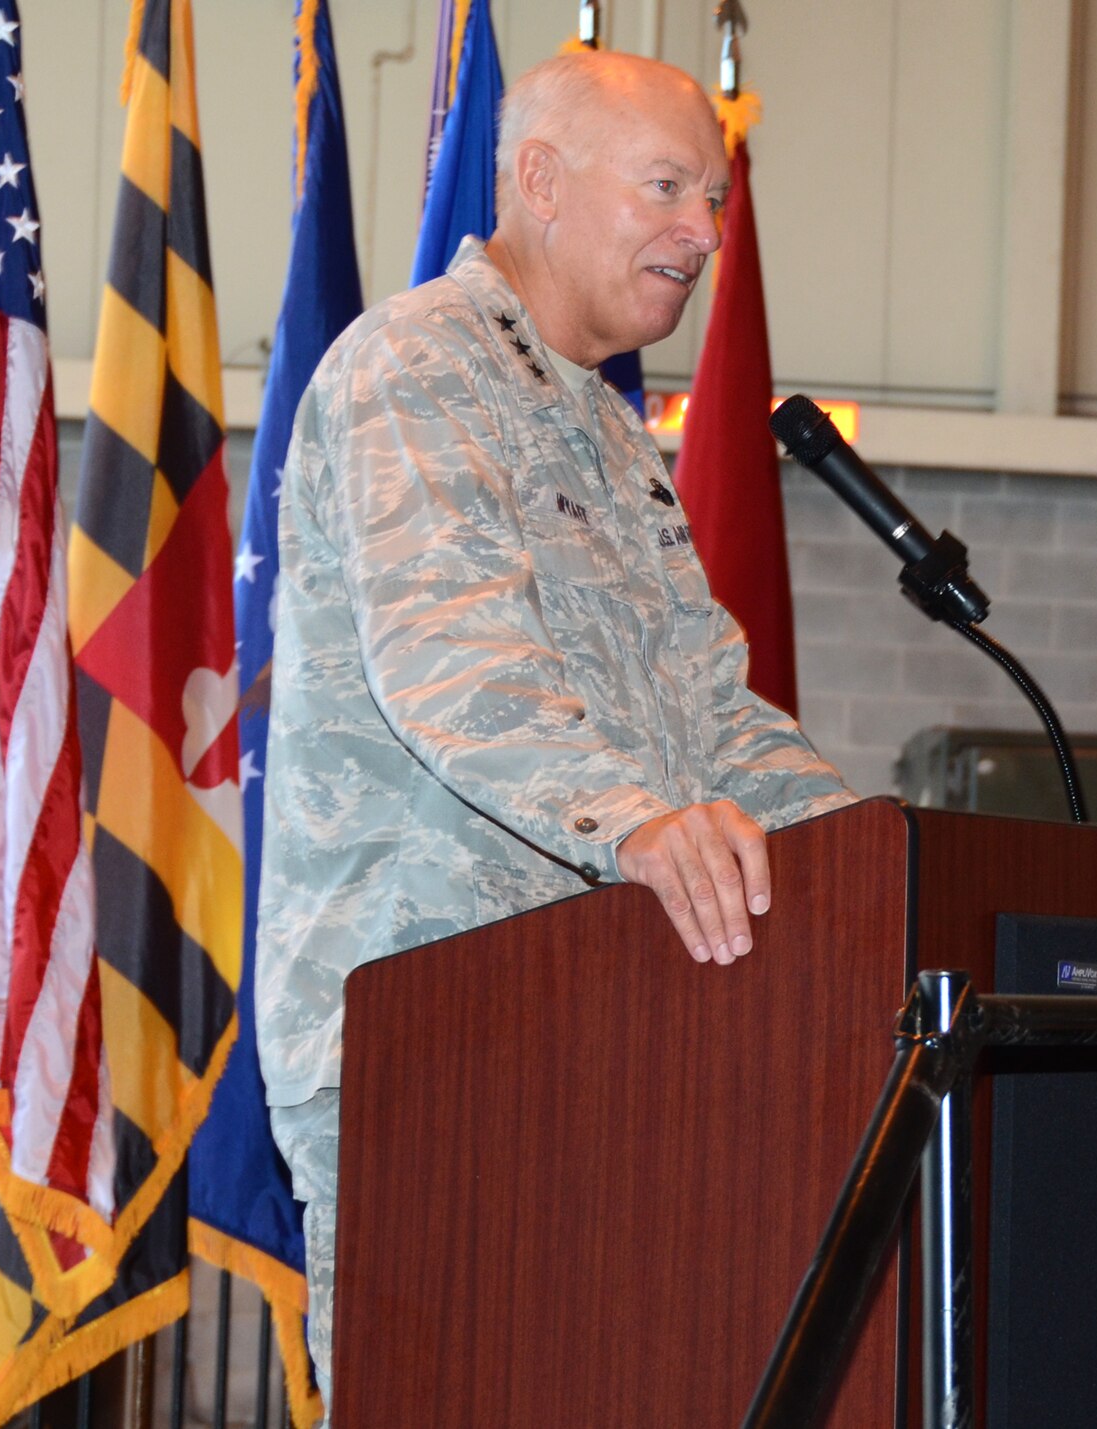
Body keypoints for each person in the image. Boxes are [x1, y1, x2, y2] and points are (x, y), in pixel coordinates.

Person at [255, 52, 855, 1413]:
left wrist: (877, 863)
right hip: (433, 1040)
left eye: (711, 197)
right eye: (666, 189)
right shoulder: (415, 368)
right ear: (538, 181)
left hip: (606, 1043)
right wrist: (640, 818)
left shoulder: (609, 427)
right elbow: (454, 661)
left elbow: (711, 706)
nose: (702, 231)